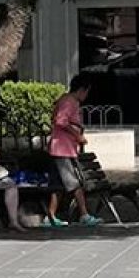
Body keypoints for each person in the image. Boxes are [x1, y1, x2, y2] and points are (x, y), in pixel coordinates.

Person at [44, 74, 101, 228]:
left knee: (59, 185)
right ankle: (84, 214)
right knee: (75, 183)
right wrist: (77, 135)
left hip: (62, 148)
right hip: (63, 149)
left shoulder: (66, 100)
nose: (86, 96)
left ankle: (51, 216)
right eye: (87, 92)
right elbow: (61, 121)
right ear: (82, 90)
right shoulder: (69, 101)